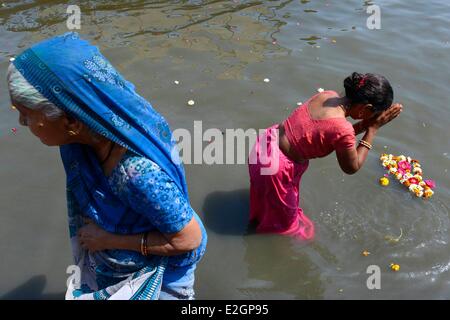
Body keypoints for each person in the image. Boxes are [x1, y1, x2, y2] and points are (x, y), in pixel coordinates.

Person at [7, 32, 207, 300]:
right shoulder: (96, 128)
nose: (21, 122)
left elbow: (190, 239)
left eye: (27, 114)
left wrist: (108, 241)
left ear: (71, 123)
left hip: (161, 281)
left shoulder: (136, 174)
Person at [248, 72, 403, 240]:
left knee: (265, 204)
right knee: (288, 230)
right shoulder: (342, 129)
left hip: (265, 145)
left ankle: (258, 222)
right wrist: (372, 131)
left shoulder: (327, 96)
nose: (374, 118)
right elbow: (352, 167)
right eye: (374, 114)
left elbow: (333, 134)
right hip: (276, 169)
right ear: (366, 109)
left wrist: (366, 124)